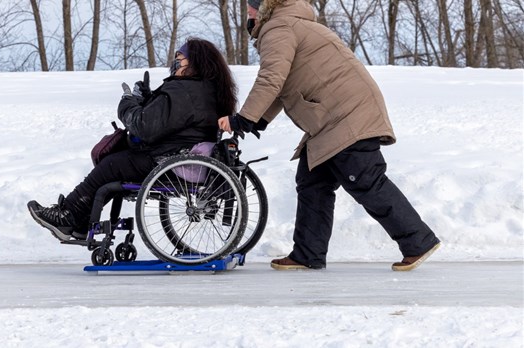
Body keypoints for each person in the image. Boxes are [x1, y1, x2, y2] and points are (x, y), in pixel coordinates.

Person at [219, 0, 441, 271]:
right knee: (312, 182)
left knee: (365, 180)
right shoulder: (291, 24)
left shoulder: (278, 28)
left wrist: (243, 118)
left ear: (264, 8)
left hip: (345, 116)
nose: (248, 14)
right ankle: (307, 254)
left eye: (251, 8)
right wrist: (258, 120)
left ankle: (418, 241)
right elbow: (283, 86)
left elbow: (271, 78)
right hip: (333, 118)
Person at [28, 38, 238, 241]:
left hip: (170, 160)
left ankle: (69, 216)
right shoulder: (207, 89)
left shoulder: (183, 90)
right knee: (116, 163)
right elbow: (168, 120)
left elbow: (143, 126)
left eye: (180, 58)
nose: (175, 62)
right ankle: (80, 221)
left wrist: (128, 103)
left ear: (195, 62)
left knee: (111, 165)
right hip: (183, 156)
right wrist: (151, 99)